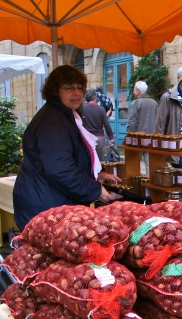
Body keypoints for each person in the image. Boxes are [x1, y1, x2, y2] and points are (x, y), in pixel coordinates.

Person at [13, 65, 120, 231]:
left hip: (48, 200)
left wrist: (96, 175)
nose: (77, 93)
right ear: (56, 91)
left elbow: (70, 157)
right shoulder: (53, 122)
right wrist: (94, 190)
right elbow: (60, 170)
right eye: (70, 88)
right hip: (45, 207)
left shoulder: (64, 115)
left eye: (80, 88)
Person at [82, 88, 114, 163]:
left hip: (87, 138)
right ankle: (100, 174)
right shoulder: (101, 109)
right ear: (94, 98)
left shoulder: (82, 108)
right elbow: (107, 125)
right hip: (99, 139)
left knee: (88, 160)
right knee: (100, 161)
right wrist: (111, 138)